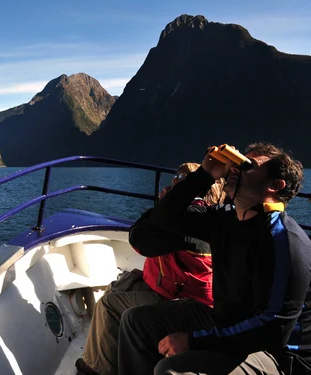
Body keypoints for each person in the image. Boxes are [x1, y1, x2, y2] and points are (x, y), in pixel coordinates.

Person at [120, 142, 311, 375]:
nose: (234, 169)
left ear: (275, 185)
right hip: (226, 321)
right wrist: (205, 174)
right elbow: (164, 218)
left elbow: (271, 328)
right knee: (136, 322)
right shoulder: (225, 219)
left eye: (247, 166)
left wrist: (194, 340)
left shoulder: (284, 240)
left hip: (276, 353)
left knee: (171, 370)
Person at [76, 162, 225, 375]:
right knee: (118, 286)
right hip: (185, 293)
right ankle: (113, 357)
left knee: (108, 304)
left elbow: (139, 240)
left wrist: (164, 207)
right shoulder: (216, 216)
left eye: (179, 183)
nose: (172, 185)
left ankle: (93, 371)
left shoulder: (189, 221)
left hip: (184, 303)